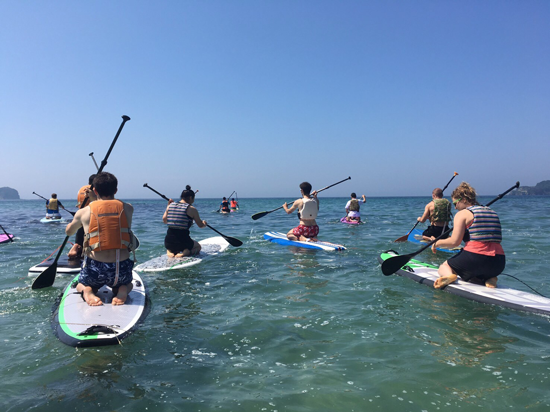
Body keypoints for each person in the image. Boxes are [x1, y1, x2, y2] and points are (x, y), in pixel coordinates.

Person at [65, 172, 136, 306]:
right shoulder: (128, 208)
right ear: (116, 190)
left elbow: (69, 232)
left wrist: (77, 217)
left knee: (80, 284)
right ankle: (122, 289)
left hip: (95, 270)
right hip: (120, 269)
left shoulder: (84, 212)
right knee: (128, 284)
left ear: (95, 190)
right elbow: (113, 207)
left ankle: (87, 290)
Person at [431, 182, 505, 289]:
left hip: (475, 259)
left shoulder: (463, 214)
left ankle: (449, 276)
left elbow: (454, 242)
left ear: (464, 200)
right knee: (475, 274)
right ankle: (489, 278)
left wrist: (436, 243)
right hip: (498, 263)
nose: (455, 208)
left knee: (445, 266)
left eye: (456, 203)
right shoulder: (492, 212)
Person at [163, 185, 207, 258]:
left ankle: (170, 252)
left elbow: (165, 221)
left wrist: (168, 205)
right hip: (183, 242)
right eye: (193, 199)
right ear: (190, 198)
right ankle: (185, 253)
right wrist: (204, 224)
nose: (193, 201)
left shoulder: (170, 206)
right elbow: (200, 225)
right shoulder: (192, 209)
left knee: (170, 248)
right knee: (198, 247)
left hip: (168, 241)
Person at [68, 174, 97, 259]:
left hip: (82, 213)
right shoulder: (98, 191)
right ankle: (81, 246)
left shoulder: (83, 190)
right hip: (93, 213)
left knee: (82, 226)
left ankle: (77, 245)